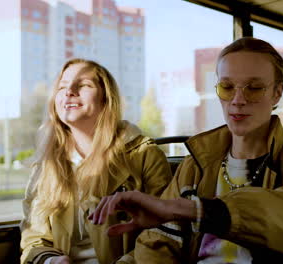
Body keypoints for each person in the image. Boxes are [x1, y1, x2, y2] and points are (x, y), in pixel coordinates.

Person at [90, 37, 283, 264]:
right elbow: (158, 244)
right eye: (227, 87)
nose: (238, 99)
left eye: (254, 88)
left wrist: (195, 210)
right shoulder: (196, 166)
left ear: (277, 94)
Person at [20, 59, 172, 264]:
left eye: (83, 85)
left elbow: (165, 232)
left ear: (105, 99)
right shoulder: (47, 163)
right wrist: (51, 261)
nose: (69, 91)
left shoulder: (145, 155)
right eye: (62, 86)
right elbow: (33, 235)